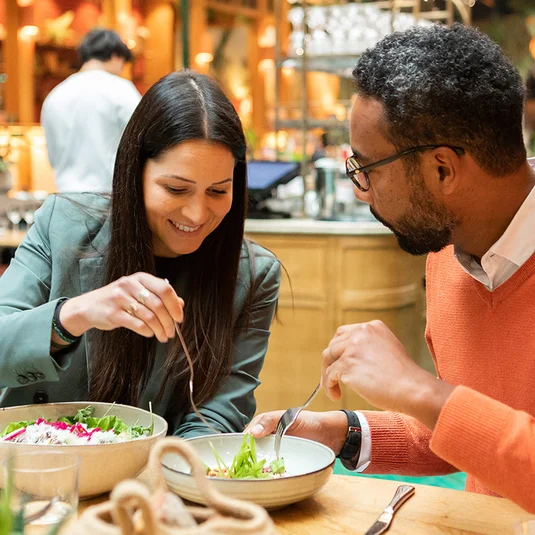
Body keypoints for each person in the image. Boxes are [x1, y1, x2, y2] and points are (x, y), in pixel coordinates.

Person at [248, 23, 535, 513]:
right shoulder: (447, 253)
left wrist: (417, 387)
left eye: (367, 168)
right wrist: (340, 432)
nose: (362, 192)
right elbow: (476, 432)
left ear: (442, 169)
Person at [0, 70, 281, 437]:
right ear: (135, 173)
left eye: (217, 192)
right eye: (176, 189)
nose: (197, 214)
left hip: (152, 480)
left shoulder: (255, 275)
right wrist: (77, 313)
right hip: (34, 467)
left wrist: (173, 477)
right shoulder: (63, 224)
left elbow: (217, 414)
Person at [41, 28, 141, 193]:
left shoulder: (55, 95)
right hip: (110, 197)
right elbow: (141, 140)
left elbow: (52, 156)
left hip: (66, 197)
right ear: (116, 56)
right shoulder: (121, 90)